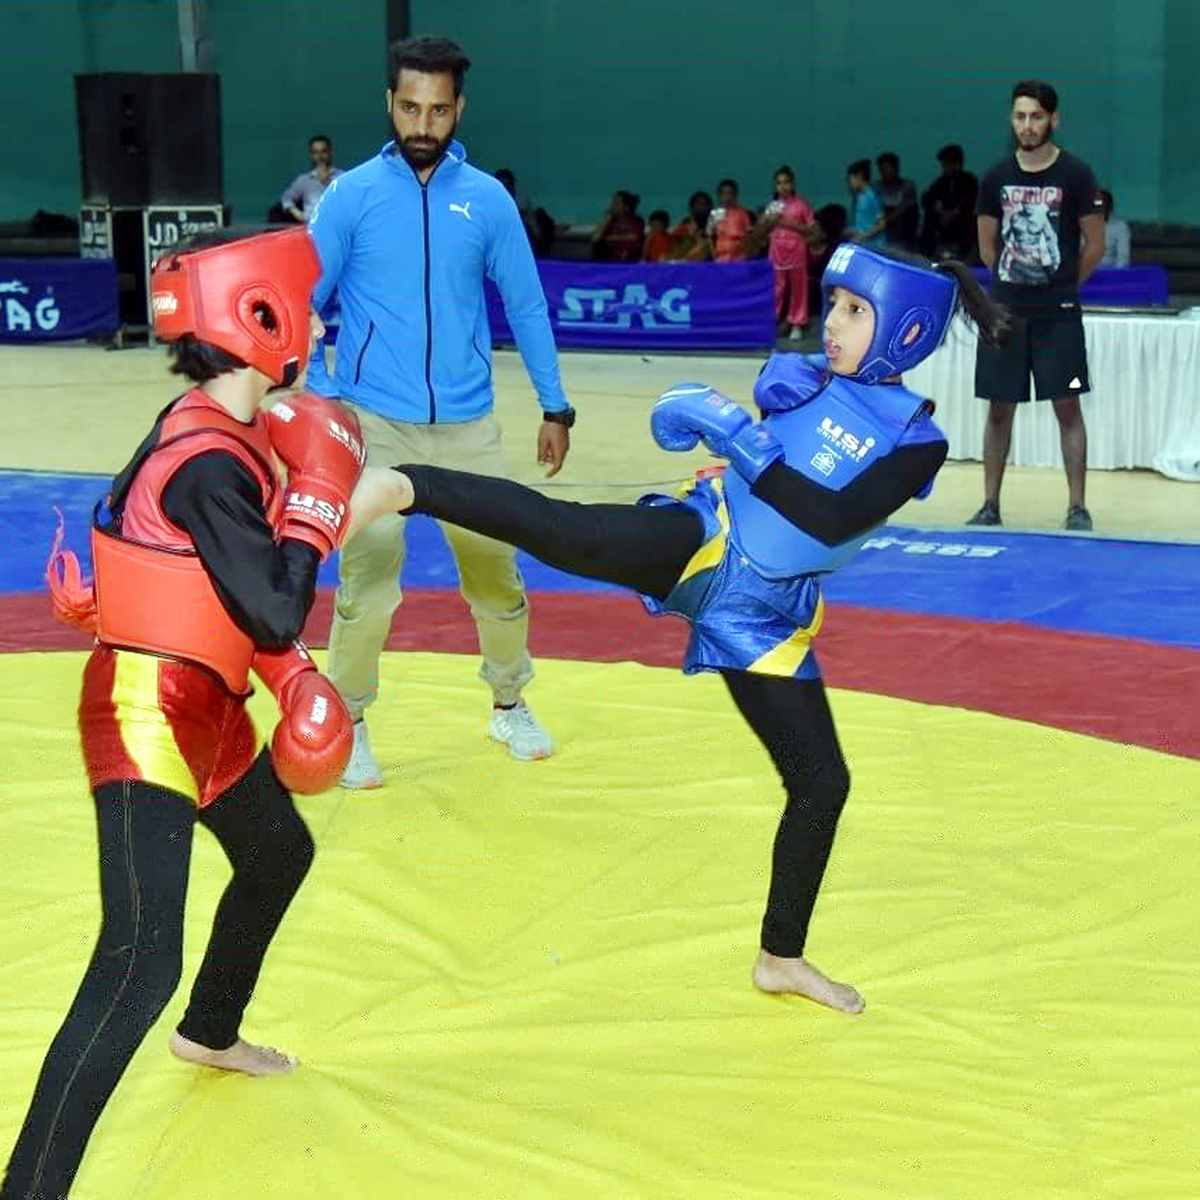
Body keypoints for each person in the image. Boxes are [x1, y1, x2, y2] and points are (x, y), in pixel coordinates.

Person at [371, 245, 1013, 1015]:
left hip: (763, 612)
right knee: (572, 533)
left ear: (906, 333)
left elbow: (832, 517)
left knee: (822, 783)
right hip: (705, 538)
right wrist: (749, 437)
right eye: (834, 304)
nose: (832, 323)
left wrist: (745, 439)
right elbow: (770, 472)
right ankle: (407, 485)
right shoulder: (803, 380)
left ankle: (781, 957)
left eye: (854, 311)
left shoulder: (915, 440)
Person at [0, 226, 404, 1199]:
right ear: (261, 314)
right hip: (147, 711)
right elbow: (273, 603)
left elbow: (197, 574)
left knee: (278, 852)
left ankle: (210, 1029)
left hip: (208, 701)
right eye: (302, 309)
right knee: (137, 965)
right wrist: (325, 505)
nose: (315, 325)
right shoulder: (210, 463)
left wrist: (289, 676)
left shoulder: (220, 428)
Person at [306, 36, 572, 786]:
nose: (423, 124)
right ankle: (349, 721)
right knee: (369, 580)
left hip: (468, 428)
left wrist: (555, 406)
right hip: (375, 426)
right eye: (410, 107)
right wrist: (325, 397)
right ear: (389, 103)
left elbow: (526, 305)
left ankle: (509, 702)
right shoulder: (351, 197)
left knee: (496, 577)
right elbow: (301, 303)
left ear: (460, 110)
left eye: (439, 110)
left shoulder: (486, 200)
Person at [968, 79, 1106, 531]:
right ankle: (990, 504)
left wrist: (1063, 285)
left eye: (1036, 116)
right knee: (998, 410)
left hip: (1058, 315)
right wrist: (1015, 284)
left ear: (1053, 120)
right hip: (1005, 313)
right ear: (1012, 120)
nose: (1028, 125)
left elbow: (1095, 244)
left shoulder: (1077, 174)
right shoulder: (994, 177)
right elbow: (987, 248)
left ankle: (1077, 507)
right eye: (1020, 116)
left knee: (1067, 407)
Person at [757, 165, 818, 339]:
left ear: (792, 184)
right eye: (779, 183)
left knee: (799, 288)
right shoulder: (772, 206)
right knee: (776, 288)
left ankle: (797, 323)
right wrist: (767, 221)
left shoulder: (801, 205)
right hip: (777, 251)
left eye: (786, 182)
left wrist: (786, 222)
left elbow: (812, 230)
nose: (783, 186)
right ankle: (771, 321)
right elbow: (761, 232)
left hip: (797, 252)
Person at [920, 143, 979, 261]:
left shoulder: (969, 180)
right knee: (929, 215)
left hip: (961, 220)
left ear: (957, 164)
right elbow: (926, 198)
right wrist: (938, 208)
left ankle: (963, 250)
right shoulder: (941, 182)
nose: (945, 168)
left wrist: (953, 213)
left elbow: (969, 200)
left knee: (969, 218)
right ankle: (926, 253)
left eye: (947, 164)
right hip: (943, 220)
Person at [279, 134, 343, 223]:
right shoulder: (304, 180)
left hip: (337, 225)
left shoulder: (342, 177)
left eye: (324, 151)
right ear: (311, 155)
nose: (320, 156)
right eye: (315, 152)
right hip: (310, 226)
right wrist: (297, 213)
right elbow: (286, 198)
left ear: (330, 152)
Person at [875, 153, 920, 251]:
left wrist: (885, 221)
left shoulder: (907, 185)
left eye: (887, 169)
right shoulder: (876, 187)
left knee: (910, 211)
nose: (884, 173)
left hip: (902, 229)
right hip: (882, 229)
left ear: (896, 169)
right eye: (881, 169)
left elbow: (903, 207)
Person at [707, 178, 754, 263]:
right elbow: (710, 235)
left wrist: (747, 253)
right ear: (719, 195)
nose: (727, 196)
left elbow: (748, 235)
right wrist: (713, 254)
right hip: (721, 256)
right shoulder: (715, 213)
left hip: (739, 256)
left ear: (735, 195)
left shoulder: (742, 213)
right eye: (724, 193)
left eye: (730, 193)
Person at [592, 189, 645, 262]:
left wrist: (609, 238)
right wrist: (606, 219)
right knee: (598, 246)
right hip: (611, 258)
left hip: (629, 259)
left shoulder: (637, 221)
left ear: (626, 207)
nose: (612, 206)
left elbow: (634, 237)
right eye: (613, 202)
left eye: (616, 203)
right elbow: (595, 238)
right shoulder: (611, 221)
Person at [846, 159, 886, 247]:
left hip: (876, 246)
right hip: (863, 245)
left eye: (850, 179)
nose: (849, 183)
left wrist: (863, 236)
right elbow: (862, 224)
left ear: (859, 176)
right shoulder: (859, 197)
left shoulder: (873, 195)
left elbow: (882, 224)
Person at [670, 191, 714, 261]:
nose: (702, 207)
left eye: (705, 204)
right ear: (692, 207)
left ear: (710, 207)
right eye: (698, 204)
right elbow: (676, 253)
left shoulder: (716, 227)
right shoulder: (682, 228)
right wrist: (690, 236)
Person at [1099, 189, 1131, 268]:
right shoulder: (1082, 225)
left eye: (1103, 203)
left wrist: (1115, 274)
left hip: (1109, 272)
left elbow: (1123, 259)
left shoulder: (1120, 227)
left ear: (1110, 206)